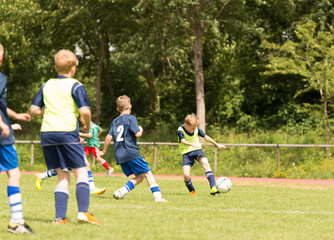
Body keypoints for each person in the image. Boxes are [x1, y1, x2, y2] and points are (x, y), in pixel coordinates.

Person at [30, 49, 101, 224]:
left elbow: (34, 109)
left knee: (62, 175)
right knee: (82, 171)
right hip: (67, 133)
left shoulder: (47, 85)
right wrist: (87, 123)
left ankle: (60, 217)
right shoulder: (76, 85)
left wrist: (50, 112)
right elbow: (85, 110)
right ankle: (83, 212)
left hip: (47, 134)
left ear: (55, 67)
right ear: (74, 68)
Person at [99, 95, 167, 202]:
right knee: (148, 173)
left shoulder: (115, 121)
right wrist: (140, 128)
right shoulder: (131, 118)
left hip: (120, 154)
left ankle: (121, 192)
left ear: (117, 109)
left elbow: (108, 137)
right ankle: (158, 197)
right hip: (130, 151)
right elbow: (138, 134)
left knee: (140, 176)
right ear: (130, 106)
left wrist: (103, 151)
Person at [0, 43, 34, 234]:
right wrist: (3, 125)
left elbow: (1, 106)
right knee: (14, 173)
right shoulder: (0, 78)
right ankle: (16, 222)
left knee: (13, 173)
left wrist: (16, 115)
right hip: (2, 136)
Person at [34, 137, 107, 195]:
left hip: (77, 145)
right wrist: (83, 136)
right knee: (64, 169)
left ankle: (92, 188)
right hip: (70, 143)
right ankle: (41, 176)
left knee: (86, 165)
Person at [177, 113, 226, 195]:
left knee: (205, 163)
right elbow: (183, 141)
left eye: (195, 128)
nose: (194, 130)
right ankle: (192, 191)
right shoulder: (180, 130)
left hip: (197, 150)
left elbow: (206, 137)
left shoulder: (196, 128)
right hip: (186, 153)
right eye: (192, 128)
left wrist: (217, 144)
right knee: (186, 175)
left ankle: (213, 187)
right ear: (186, 125)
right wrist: (191, 144)